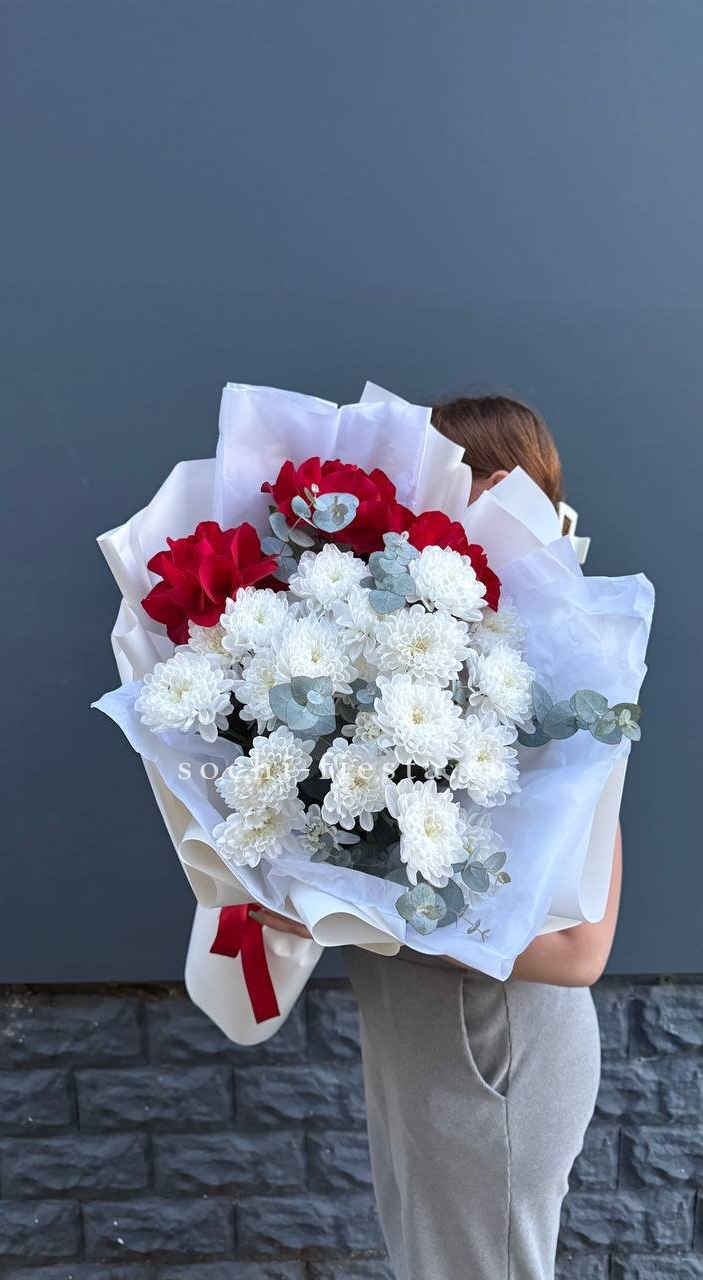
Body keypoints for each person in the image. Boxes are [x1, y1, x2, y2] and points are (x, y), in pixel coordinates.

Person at [252, 394, 621, 1280]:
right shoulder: (415, 649)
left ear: (501, 495)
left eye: (435, 483)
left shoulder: (562, 667)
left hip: (492, 1050)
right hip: (422, 1036)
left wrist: (362, 910)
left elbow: (580, 950)